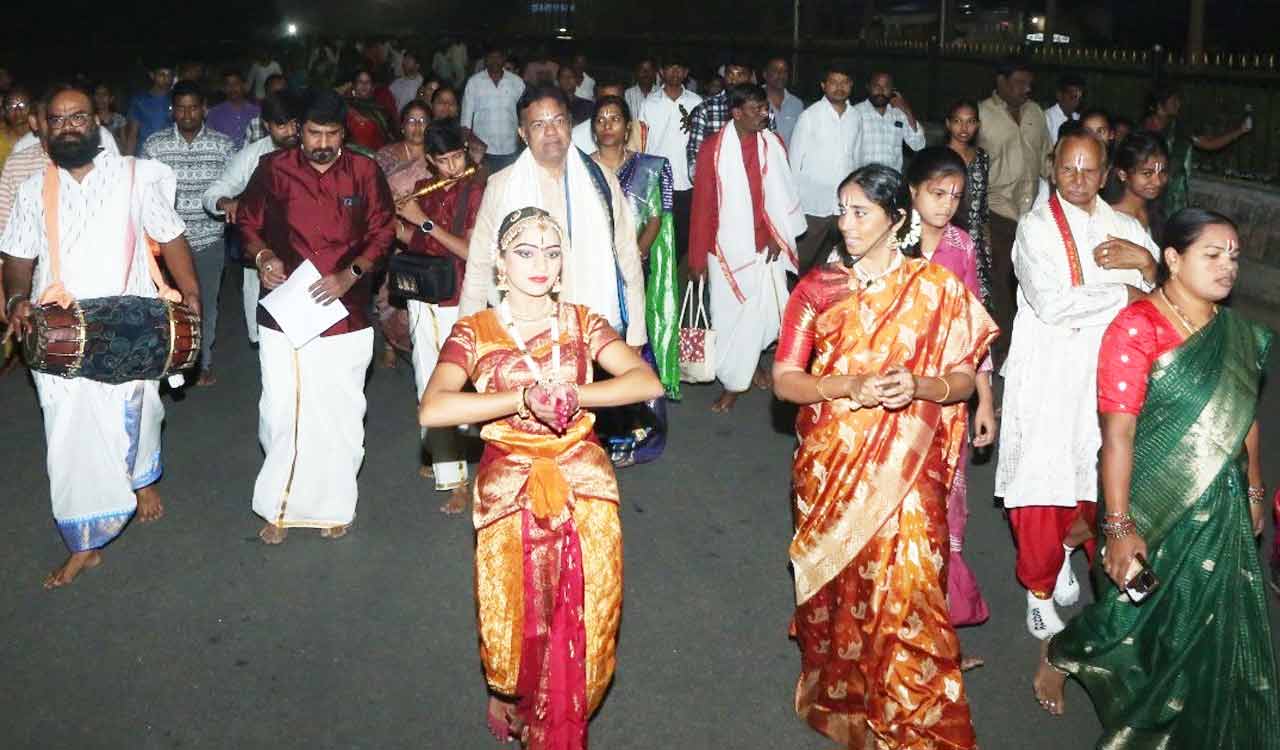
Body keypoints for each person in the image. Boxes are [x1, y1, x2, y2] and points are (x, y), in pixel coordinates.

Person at [1034, 209, 1280, 747]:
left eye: (1234, 256)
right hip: (1152, 499)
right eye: (1212, 255)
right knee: (1131, 615)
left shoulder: (1235, 334)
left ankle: (1196, 718)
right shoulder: (1136, 328)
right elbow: (1117, 435)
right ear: (1173, 258)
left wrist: (1255, 489)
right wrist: (1119, 527)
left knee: (1209, 622)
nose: (1228, 266)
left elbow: (1245, 419)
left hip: (1222, 502)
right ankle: (1063, 652)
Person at [420, 205, 662, 747]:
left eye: (551, 253)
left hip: (582, 482)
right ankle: (513, 695)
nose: (540, 265)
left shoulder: (582, 321)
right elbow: (433, 408)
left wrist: (575, 393)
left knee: (583, 608)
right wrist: (522, 398)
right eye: (525, 252)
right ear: (500, 262)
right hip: (510, 485)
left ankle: (559, 720)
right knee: (518, 608)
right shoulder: (475, 330)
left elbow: (644, 382)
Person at [773, 164, 996, 750]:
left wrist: (918, 386)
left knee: (912, 591)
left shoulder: (936, 289)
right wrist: (846, 386)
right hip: (833, 465)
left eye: (860, 212)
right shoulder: (818, 289)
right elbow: (786, 380)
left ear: (897, 219)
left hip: (909, 467)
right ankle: (854, 703)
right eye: (842, 211)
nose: (845, 224)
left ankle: (917, 725)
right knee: (847, 591)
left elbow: (962, 380)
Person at [1, 84, 200, 588]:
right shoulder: (32, 188)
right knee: (67, 431)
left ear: (97, 122)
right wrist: (16, 298)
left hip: (131, 323)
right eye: (58, 119)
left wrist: (192, 294)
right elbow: (18, 256)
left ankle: (141, 477)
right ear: (44, 129)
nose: (68, 126)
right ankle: (84, 541)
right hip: (59, 330)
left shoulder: (137, 176)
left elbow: (172, 236)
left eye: (78, 117)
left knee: (139, 410)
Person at [996, 128, 1159, 639]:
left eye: (1090, 169)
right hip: (1049, 377)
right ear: (1053, 168)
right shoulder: (1036, 227)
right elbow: (1052, 303)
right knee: (1043, 486)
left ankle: (1072, 549)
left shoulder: (1124, 226)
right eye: (1069, 168)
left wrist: (1146, 264)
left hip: (1110, 375)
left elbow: (1167, 294)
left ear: (1106, 174)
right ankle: (1038, 591)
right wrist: (1125, 294)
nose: (1079, 179)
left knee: (1103, 485)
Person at [236, 89, 395, 544]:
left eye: (331, 134)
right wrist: (263, 256)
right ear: (297, 131)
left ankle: (334, 504)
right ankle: (279, 506)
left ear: (344, 133)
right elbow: (247, 221)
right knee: (280, 409)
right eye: (313, 133)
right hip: (285, 310)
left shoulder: (364, 170)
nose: (322, 143)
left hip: (345, 312)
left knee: (340, 410)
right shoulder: (274, 169)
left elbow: (383, 230)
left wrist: (351, 274)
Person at [458, 85, 646, 351]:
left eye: (557, 121)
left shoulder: (600, 180)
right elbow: (478, 265)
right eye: (538, 125)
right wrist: (466, 342)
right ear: (523, 133)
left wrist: (636, 333)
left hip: (593, 327)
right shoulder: (502, 186)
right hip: (525, 336)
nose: (550, 132)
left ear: (569, 124)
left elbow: (627, 255)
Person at [902, 147, 997, 641]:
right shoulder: (889, 241)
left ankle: (934, 626)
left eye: (956, 196)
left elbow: (973, 325)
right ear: (912, 191)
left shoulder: (962, 245)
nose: (946, 205)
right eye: (937, 193)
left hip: (947, 395)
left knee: (941, 503)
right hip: (892, 395)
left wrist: (986, 401)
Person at [690, 84, 806, 413]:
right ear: (736, 113)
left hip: (766, 246)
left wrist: (776, 235)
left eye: (764, 107)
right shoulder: (713, 149)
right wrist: (697, 258)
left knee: (763, 316)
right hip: (724, 248)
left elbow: (782, 195)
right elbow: (702, 206)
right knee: (728, 318)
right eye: (756, 109)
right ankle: (734, 381)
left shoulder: (772, 144)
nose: (764, 114)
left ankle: (746, 369)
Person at [389, 120, 483, 512]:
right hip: (423, 297)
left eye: (458, 157)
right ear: (430, 160)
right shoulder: (425, 188)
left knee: (460, 388)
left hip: (460, 300)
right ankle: (451, 472)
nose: (452, 167)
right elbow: (414, 241)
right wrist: (395, 220)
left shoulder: (477, 191)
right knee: (427, 380)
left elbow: (469, 252)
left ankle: (466, 465)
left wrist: (423, 220)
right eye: (443, 161)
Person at [142, 80, 234, 386]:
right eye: (181, 108)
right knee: (167, 306)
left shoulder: (223, 146)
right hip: (165, 245)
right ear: (172, 111)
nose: (187, 114)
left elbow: (234, 187)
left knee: (204, 304)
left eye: (193, 107)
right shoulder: (155, 146)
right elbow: (142, 193)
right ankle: (170, 362)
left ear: (204, 109)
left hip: (209, 239)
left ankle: (201, 363)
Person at [202, 92, 300, 348]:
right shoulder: (252, 156)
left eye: (295, 123)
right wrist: (225, 202)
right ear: (266, 125)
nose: (291, 131)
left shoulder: (311, 152)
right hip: (263, 257)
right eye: (282, 125)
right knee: (269, 336)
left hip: (305, 257)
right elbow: (213, 193)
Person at [977, 55, 1052, 364]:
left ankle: (1017, 344)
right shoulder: (982, 114)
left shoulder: (1035, 113)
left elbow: (1046, 158)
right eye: (1020, 83)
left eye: (1029, 84)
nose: (1026, 89)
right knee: (1000, 280)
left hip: (1029, 213)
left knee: (1025, 279)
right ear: (1001, 81)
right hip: (996, 211)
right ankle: (1002, 346)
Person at [789, 64, 856, 271]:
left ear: (851, 85)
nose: (839, 87)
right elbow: (793, 162)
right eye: (834, 82)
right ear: (823, 86)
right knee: (801, 260)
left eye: (844, 83)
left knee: (832, 263)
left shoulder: (856, 117)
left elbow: (856, 158)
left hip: (843, 205)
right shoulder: (810, 116)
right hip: (812, 205)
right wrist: (792, 203)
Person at [638, 59, 700, 259]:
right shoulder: (649, 103)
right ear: (661, 72)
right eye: (670, 68)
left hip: (687, 182)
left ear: (686, 72)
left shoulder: (696, 102)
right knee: (657, 238)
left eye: (679, 68)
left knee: (683, 238)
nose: (675, 72)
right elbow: (642, 143)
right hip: (657, 181)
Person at [945, 98, 993, 307]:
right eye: (958, 121)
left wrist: (987, 241)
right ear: (948, 124)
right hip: (948, 236)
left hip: (977, 239)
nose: (964, 128)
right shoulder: (940, 158)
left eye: (970, 121)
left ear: (978, 125)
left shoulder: (982, 157)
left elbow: (983, 202)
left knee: (977, 302)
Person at [684, 60, 754, 181]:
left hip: (752, 180)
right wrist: (702, 180)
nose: (734, 80)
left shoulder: (760, 110)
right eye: (730, 74)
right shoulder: (706, 108)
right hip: (716, 180)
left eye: (740, 74)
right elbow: (695, 150)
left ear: (750, 77)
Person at [461, 47, 526, 174]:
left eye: (498, 57)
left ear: (504, 59)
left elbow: (524, 113)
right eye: (491, 57)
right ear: (485, 60)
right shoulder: (474, 82)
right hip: (483, 152)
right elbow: (465, 121)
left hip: (510, 150)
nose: (495, 61)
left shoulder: (516, 82)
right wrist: (469, 150)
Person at [849, 71, 925, 172]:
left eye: (886, 86)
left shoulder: (899, 114)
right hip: (863, 178)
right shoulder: (855, 113)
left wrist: (906, 109)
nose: (881, 90)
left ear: (892, 90)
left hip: (892, 178)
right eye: (876, 86)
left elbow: (918, 144)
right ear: (868, 87)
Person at [1105, 131, 1170, 242]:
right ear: (1122, 174)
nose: (1158, 182)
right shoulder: (1110, 219)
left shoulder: (1155, 214)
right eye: (1147, 173)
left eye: (1162, 172)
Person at [125, 64, 175, 156]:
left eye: (169, 75)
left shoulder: (176, 99)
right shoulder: (140, 100)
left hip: (170, 153)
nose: (166, 79)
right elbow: (132, 134)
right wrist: (128, 158)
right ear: (152, 75)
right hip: (145, 154)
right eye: (162, 75)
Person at [206, 70, 260, 151]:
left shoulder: (256, 112)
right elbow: (209, 141)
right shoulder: (214, 113)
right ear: (223, 88)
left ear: (244, 86)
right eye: (228, 84)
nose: (232, 88)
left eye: (236, 84)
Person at [344, 68, 394, 153]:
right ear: (354, 85)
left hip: (376, 155)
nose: (364, 85)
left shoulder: (380, 109)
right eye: (360, 81)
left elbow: (389, 136)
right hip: (351, 155)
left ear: (372, 86)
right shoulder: (345, 107)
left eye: (368, 82)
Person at [762, 57, 803, 147]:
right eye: (775, 70)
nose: (781, 75)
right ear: (765, 74)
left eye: (785, 71)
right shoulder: (754, 100)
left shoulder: (796, 104)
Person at [242, 74, 289, 145]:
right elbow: (248, 151)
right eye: (274, 94)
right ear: (266, 95)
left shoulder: (296, 123)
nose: (279, 98)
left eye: (282, 93)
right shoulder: (255, 124)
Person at [1044, 74, 1084, 145]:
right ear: (1059, 95)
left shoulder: (1079, 118)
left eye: (1079, 98)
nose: (1077, 102)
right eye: (1072, 97)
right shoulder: (1047, 118)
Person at [0, 87, 31, 167]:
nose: (17, 110)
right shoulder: (1, 139)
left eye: (22, 105)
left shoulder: (41, 136)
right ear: (4, 111)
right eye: (11, 106)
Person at [93, 83, 128, 152]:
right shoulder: (90, 119)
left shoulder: (119, 119)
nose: (100, 97)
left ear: (111, 99)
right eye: (97, 94)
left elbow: (124, 145)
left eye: (104, 94)